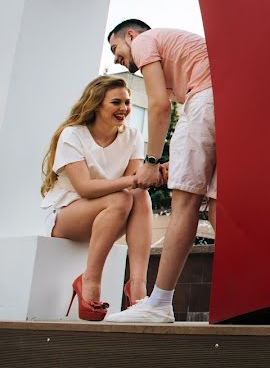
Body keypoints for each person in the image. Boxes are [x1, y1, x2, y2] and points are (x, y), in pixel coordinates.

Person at [104, 19, 216, 323]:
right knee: (218, 208)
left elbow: (158, 107)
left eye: (115, 48)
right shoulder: (176, 60)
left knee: (185, 206)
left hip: (205, 99)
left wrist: (151, 162)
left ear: (130, 35)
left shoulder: (144, 42)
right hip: (225, 102)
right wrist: (169, 164)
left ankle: (159, 304)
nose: (115, 58)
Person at [41, 75, 156, 321]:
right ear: (96, 104)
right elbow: (84, 188)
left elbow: (132, 187)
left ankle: (137, 288)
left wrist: (148, 176)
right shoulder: (73, 135)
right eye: (116, 102)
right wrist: (138, 178)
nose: (124, 108)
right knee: (123, 198)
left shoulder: (133, 136)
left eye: (127, 102)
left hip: (110, 214)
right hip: (66, 215)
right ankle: (89, 281)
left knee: (138, 196)